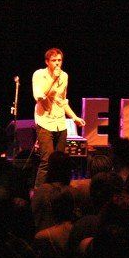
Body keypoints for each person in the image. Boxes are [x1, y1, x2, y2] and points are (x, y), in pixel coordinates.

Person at [32, 48, 85, 188]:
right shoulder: (39, 75)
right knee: (47, 160)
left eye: (59, 60)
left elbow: (62, 101)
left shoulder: (64, 76)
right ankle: (38, 192)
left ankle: (59, 190)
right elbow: (39, 96)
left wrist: (74, 117)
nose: (57, 63)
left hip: (60, 122)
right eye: (54, 60)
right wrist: (53, 79)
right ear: (47, 62)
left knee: (60, 161)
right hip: (45, 121)